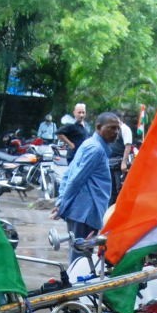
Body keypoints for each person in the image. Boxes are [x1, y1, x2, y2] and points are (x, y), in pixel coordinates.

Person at [53, 111, 120, 258]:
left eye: (117, 128)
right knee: (81, 257)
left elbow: (69, 173)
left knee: (80, 255)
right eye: (111, 128)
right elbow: (76, 179)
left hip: (83, 211)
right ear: (98, 127)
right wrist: (62, 205)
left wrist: (61, 201)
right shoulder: (95, 149)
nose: (115, 132)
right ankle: (74, 281)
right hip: (85, 212)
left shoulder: (90, 144)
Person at [107, 115, 132, 205]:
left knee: (120, 189)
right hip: (110, 163)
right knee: (111, 189)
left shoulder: (125, 129)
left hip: (120, 163)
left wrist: (124, 163)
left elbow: (128, 146)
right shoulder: (112, 130)